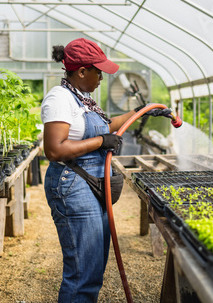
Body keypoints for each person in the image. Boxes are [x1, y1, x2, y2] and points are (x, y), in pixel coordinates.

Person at [41, 38, 171, 302]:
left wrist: (142, 111)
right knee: (82, 273)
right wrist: (101, 142)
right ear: (81, 71)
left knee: (93, 266)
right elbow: (54, 149)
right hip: (72, 184)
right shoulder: (59, 98)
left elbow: (107, 124)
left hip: (87, 183)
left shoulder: (83, 98)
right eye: (97, 70)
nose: (101, 76)